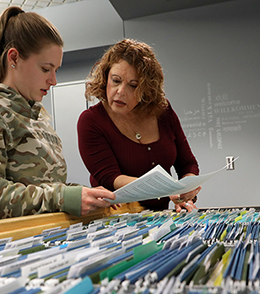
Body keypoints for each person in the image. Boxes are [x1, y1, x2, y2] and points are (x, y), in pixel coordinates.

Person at [0, 6, 115, 221]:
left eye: (56, 70)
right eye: (46, 69)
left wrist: (88, 195)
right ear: (13, 58)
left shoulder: (37, 116)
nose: (53, 80)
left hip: (45, 239)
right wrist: (64, 197)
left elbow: (49, 188)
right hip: (6, 247)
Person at [77, 39, 201, 212]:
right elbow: (110, 178)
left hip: (160, 219)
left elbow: (187, 163)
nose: (120, 91)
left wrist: (187, 188)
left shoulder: (163, 111)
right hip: (115, 222)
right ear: (105, 79)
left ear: (147, 88)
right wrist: (169, 189)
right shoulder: (91, 120)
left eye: (133, 85)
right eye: (116, 81)